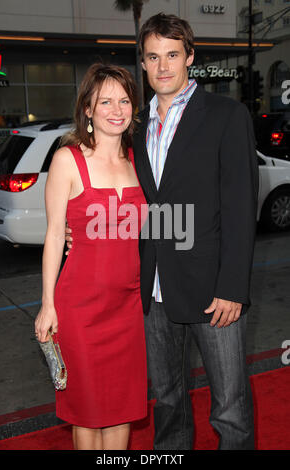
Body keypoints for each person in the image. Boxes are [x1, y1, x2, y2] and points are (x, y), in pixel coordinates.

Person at [66, 13, 259, 450]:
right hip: (149, 290)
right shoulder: (130, 128)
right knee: (168, 403)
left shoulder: (227, 115)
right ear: (144, 63)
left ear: (190, 57)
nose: (163, 66)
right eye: (153, 57)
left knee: (230, 409)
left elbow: (240, 207)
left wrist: (233, 287)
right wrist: (76, 234)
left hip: (215, 292)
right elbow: (116, 200)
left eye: (173, 55)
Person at [34, 63, 148, 450]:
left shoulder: (139, 160)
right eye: (105, 101)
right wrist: (47, 305)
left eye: (124, 100)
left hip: (128, 306)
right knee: (87, 413)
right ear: (88, 108)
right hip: (80, 309)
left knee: (122, 409)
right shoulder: (68, 159)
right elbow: (53, 235)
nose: (116, 109)